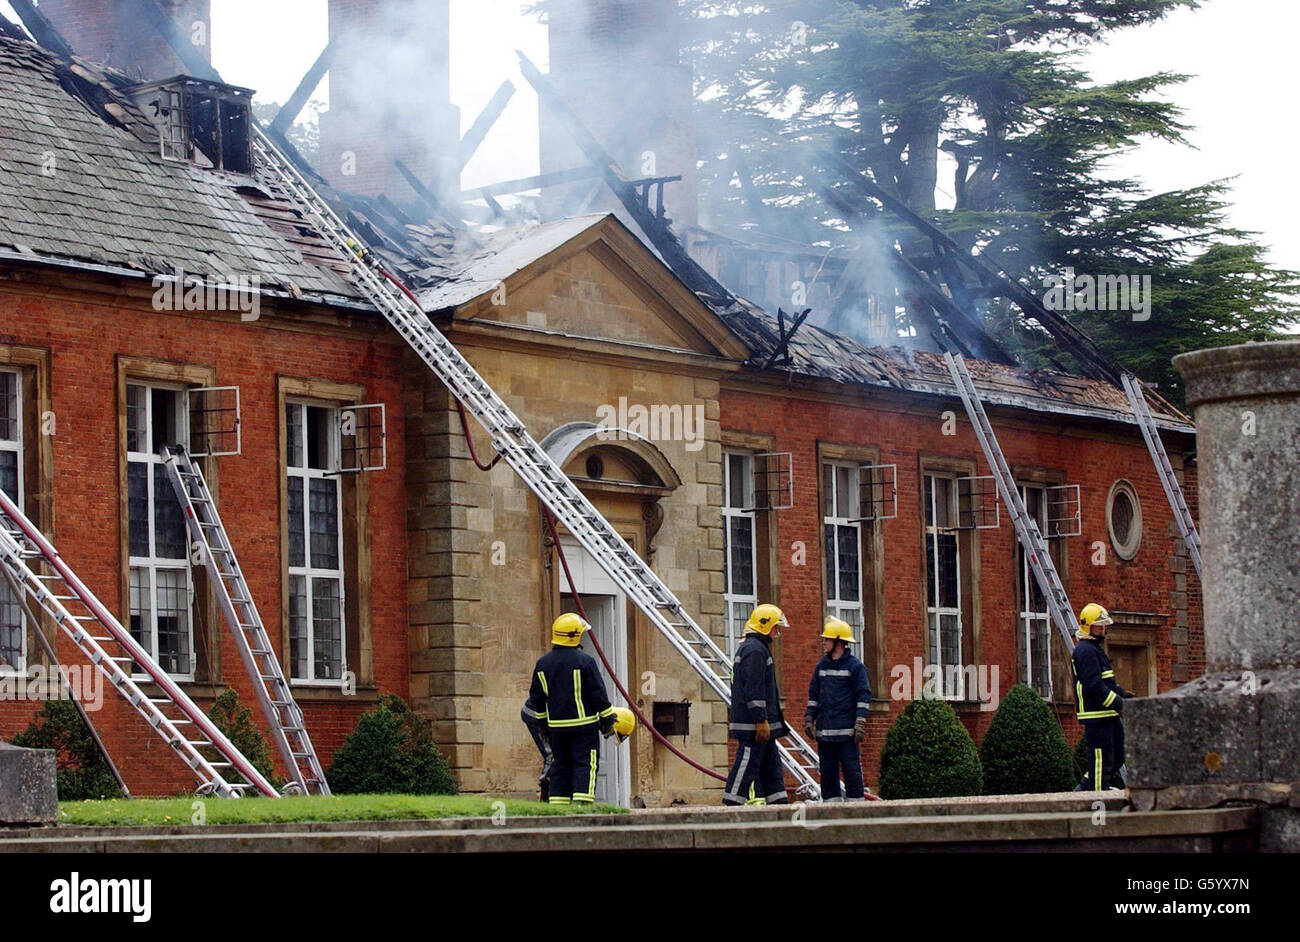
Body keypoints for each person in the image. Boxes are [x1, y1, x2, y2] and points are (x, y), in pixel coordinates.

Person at [522, 613, 619, 805]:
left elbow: (537, 698)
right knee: (586, 764)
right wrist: (608, 717)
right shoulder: (585, 661)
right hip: (584, 727)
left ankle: (558, 806)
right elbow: (598, 693)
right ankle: (582, 806)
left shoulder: (543, 663)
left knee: (560, 765)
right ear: (575, 636)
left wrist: (543, 726)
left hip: (556, 728)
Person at [724, 603, 790, 806]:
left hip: (762, 724)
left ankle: (779, 807)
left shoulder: (755, 648)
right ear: (765, 626)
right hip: (754, 724)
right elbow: (754, 689)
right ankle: (731, 805)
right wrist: (761, 719)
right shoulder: (755, 650)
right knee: (747, 762)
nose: (777, 632)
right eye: (775, 627)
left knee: (771, 768)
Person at [804, 617, 871, 801]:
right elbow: (814, 695)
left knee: (852, 775)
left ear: (839, 642)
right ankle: (831, 812)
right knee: (827, 777)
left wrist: (860, 722)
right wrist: (809, 718)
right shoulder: (821, 666)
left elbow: (863, 696)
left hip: (847, 734)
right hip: (825, 735)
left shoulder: (855, 667)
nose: (824, 642)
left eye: (827, 639)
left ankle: (856, 814)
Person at [1071, 603, 1134, 791]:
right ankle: (1097, 796)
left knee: (1118, 754)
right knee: (1101, 756)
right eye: (1099, 625)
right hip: (1096, 714)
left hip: (1107, 713)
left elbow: (1106, 682)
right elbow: (1094, 686)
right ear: (1088, 626)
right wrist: (1118, 704)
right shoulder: (1085, 651)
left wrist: (1121, 693)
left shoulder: (1094, 648)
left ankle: (1087, 788)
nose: (1103, 628)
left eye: (1104, 625)